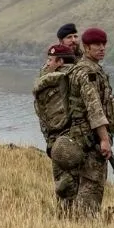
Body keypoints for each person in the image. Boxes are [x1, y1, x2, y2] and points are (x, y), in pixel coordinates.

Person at [62, 26, 114, 217]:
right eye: (97, 44)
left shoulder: (91, 69)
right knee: (91, 187)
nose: (102, 48)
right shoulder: (87, 72)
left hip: (83, 137)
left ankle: (78, 223)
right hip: (90, 139)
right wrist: (104, 139)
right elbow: (94, 108)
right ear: (86, 47)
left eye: (104, 44)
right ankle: (83, 226)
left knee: (84, 186)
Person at [36, 42, 79, 209]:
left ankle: (65, 216)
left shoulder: (47, 82)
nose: (47, 63)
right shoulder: (76, 78)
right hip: (76, 139)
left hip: (56, 141)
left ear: (60, 62)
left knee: (63, 184)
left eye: (50, 59)